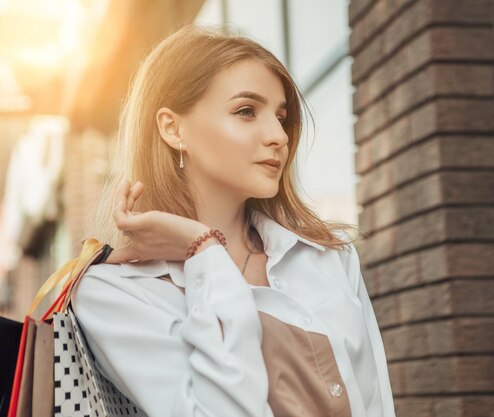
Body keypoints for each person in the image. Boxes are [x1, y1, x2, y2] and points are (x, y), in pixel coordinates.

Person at [72, 25, 396, 417]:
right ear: (173, 129)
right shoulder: (116, 291)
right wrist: (204, 251)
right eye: (246, 111)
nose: (278, 135)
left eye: (281, 117)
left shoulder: (328, 258)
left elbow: (377, 403)